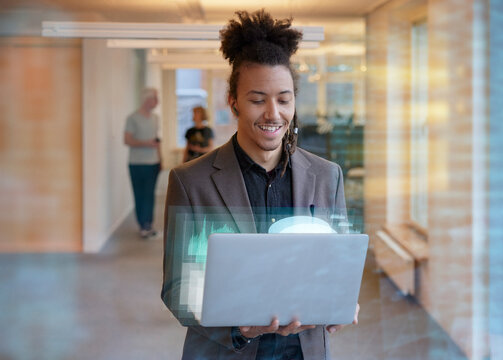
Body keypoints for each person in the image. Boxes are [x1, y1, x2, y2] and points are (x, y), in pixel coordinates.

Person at [161, 9, 359, 360]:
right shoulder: (191, 181)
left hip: (304, 350)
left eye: (284, 99)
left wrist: (340, 301)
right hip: (228, 351)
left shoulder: (328, 176)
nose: (273, 114)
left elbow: (337, 262)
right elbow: (178, 288)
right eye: (257, 100)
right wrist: (238, 328)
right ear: (233, 101)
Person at [124, 87, 161, 239]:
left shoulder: (155, 118)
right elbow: (127, 140)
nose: (157, 102)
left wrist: (160, 159)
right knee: (139, 194)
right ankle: (142, 225)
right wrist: (147, 143)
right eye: (155, 98)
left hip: (153, 163)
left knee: (150, 195)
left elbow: (157, 141)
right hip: (136, 163)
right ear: (147, 100)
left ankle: (148, 225)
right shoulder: (132, 118)